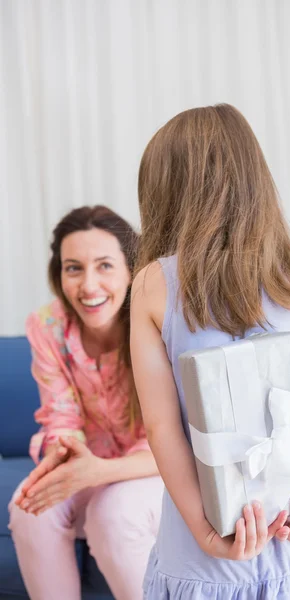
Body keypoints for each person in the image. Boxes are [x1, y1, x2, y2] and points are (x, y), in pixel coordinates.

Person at [130, 104, 290, 599]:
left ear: (165, 193)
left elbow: (161, 426)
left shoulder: (153, 284)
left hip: (203, 561)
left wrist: (206, 532)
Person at [9, 205, 163, 600]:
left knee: (114, 513)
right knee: (28, 507)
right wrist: (63, 453)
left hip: (157, 471)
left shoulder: (159, 322)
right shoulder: (48, 326)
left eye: (105, 266)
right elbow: (59, 416)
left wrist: (100, 471)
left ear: (131, 269)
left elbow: (173, 442)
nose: (88, 285)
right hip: (90, 466)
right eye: (73, 268)